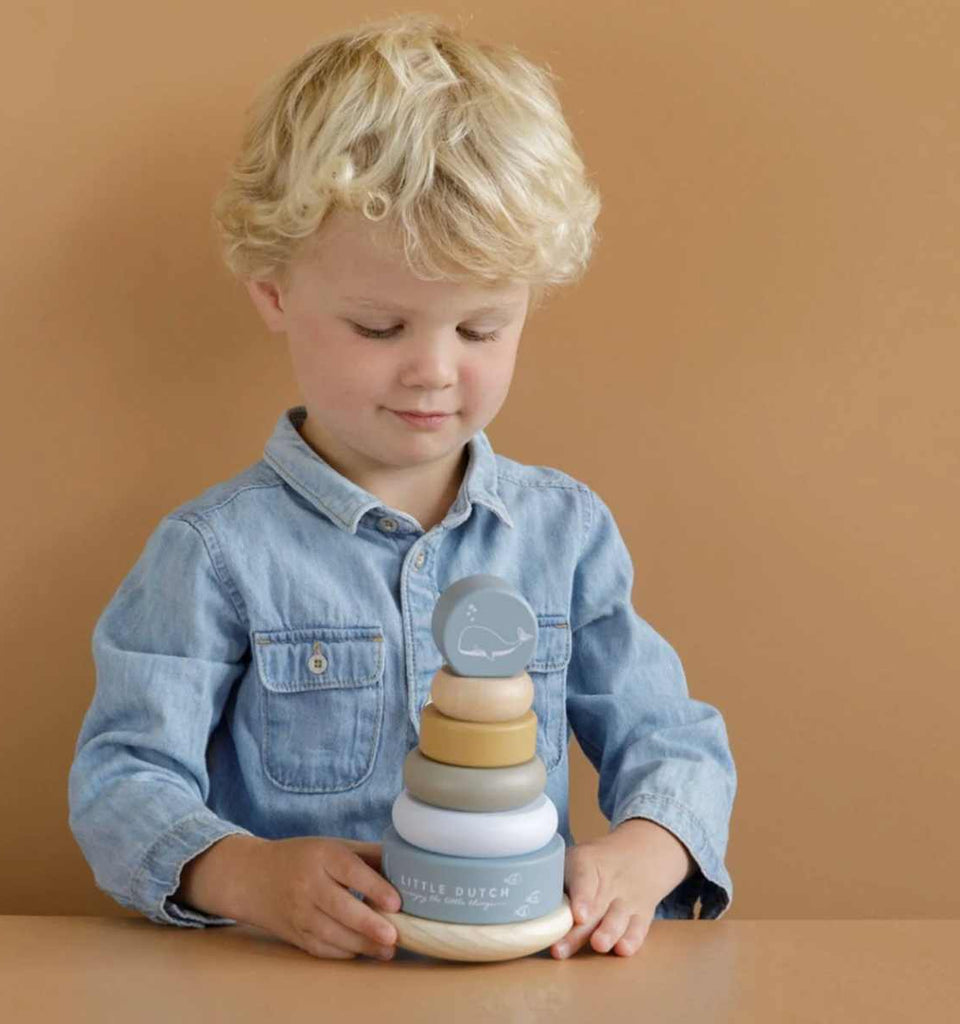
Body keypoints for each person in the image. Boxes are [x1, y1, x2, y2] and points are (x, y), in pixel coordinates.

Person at [68, 11, 736, 963]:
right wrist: (248, 875)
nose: (432, 371)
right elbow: (122, 779)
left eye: (481, 329)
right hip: (297, 984)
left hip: (524, 976)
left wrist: (646, 851)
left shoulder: (565, 535)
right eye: (380, 328)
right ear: (274, 293)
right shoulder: (216, 554)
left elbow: (675, 740)